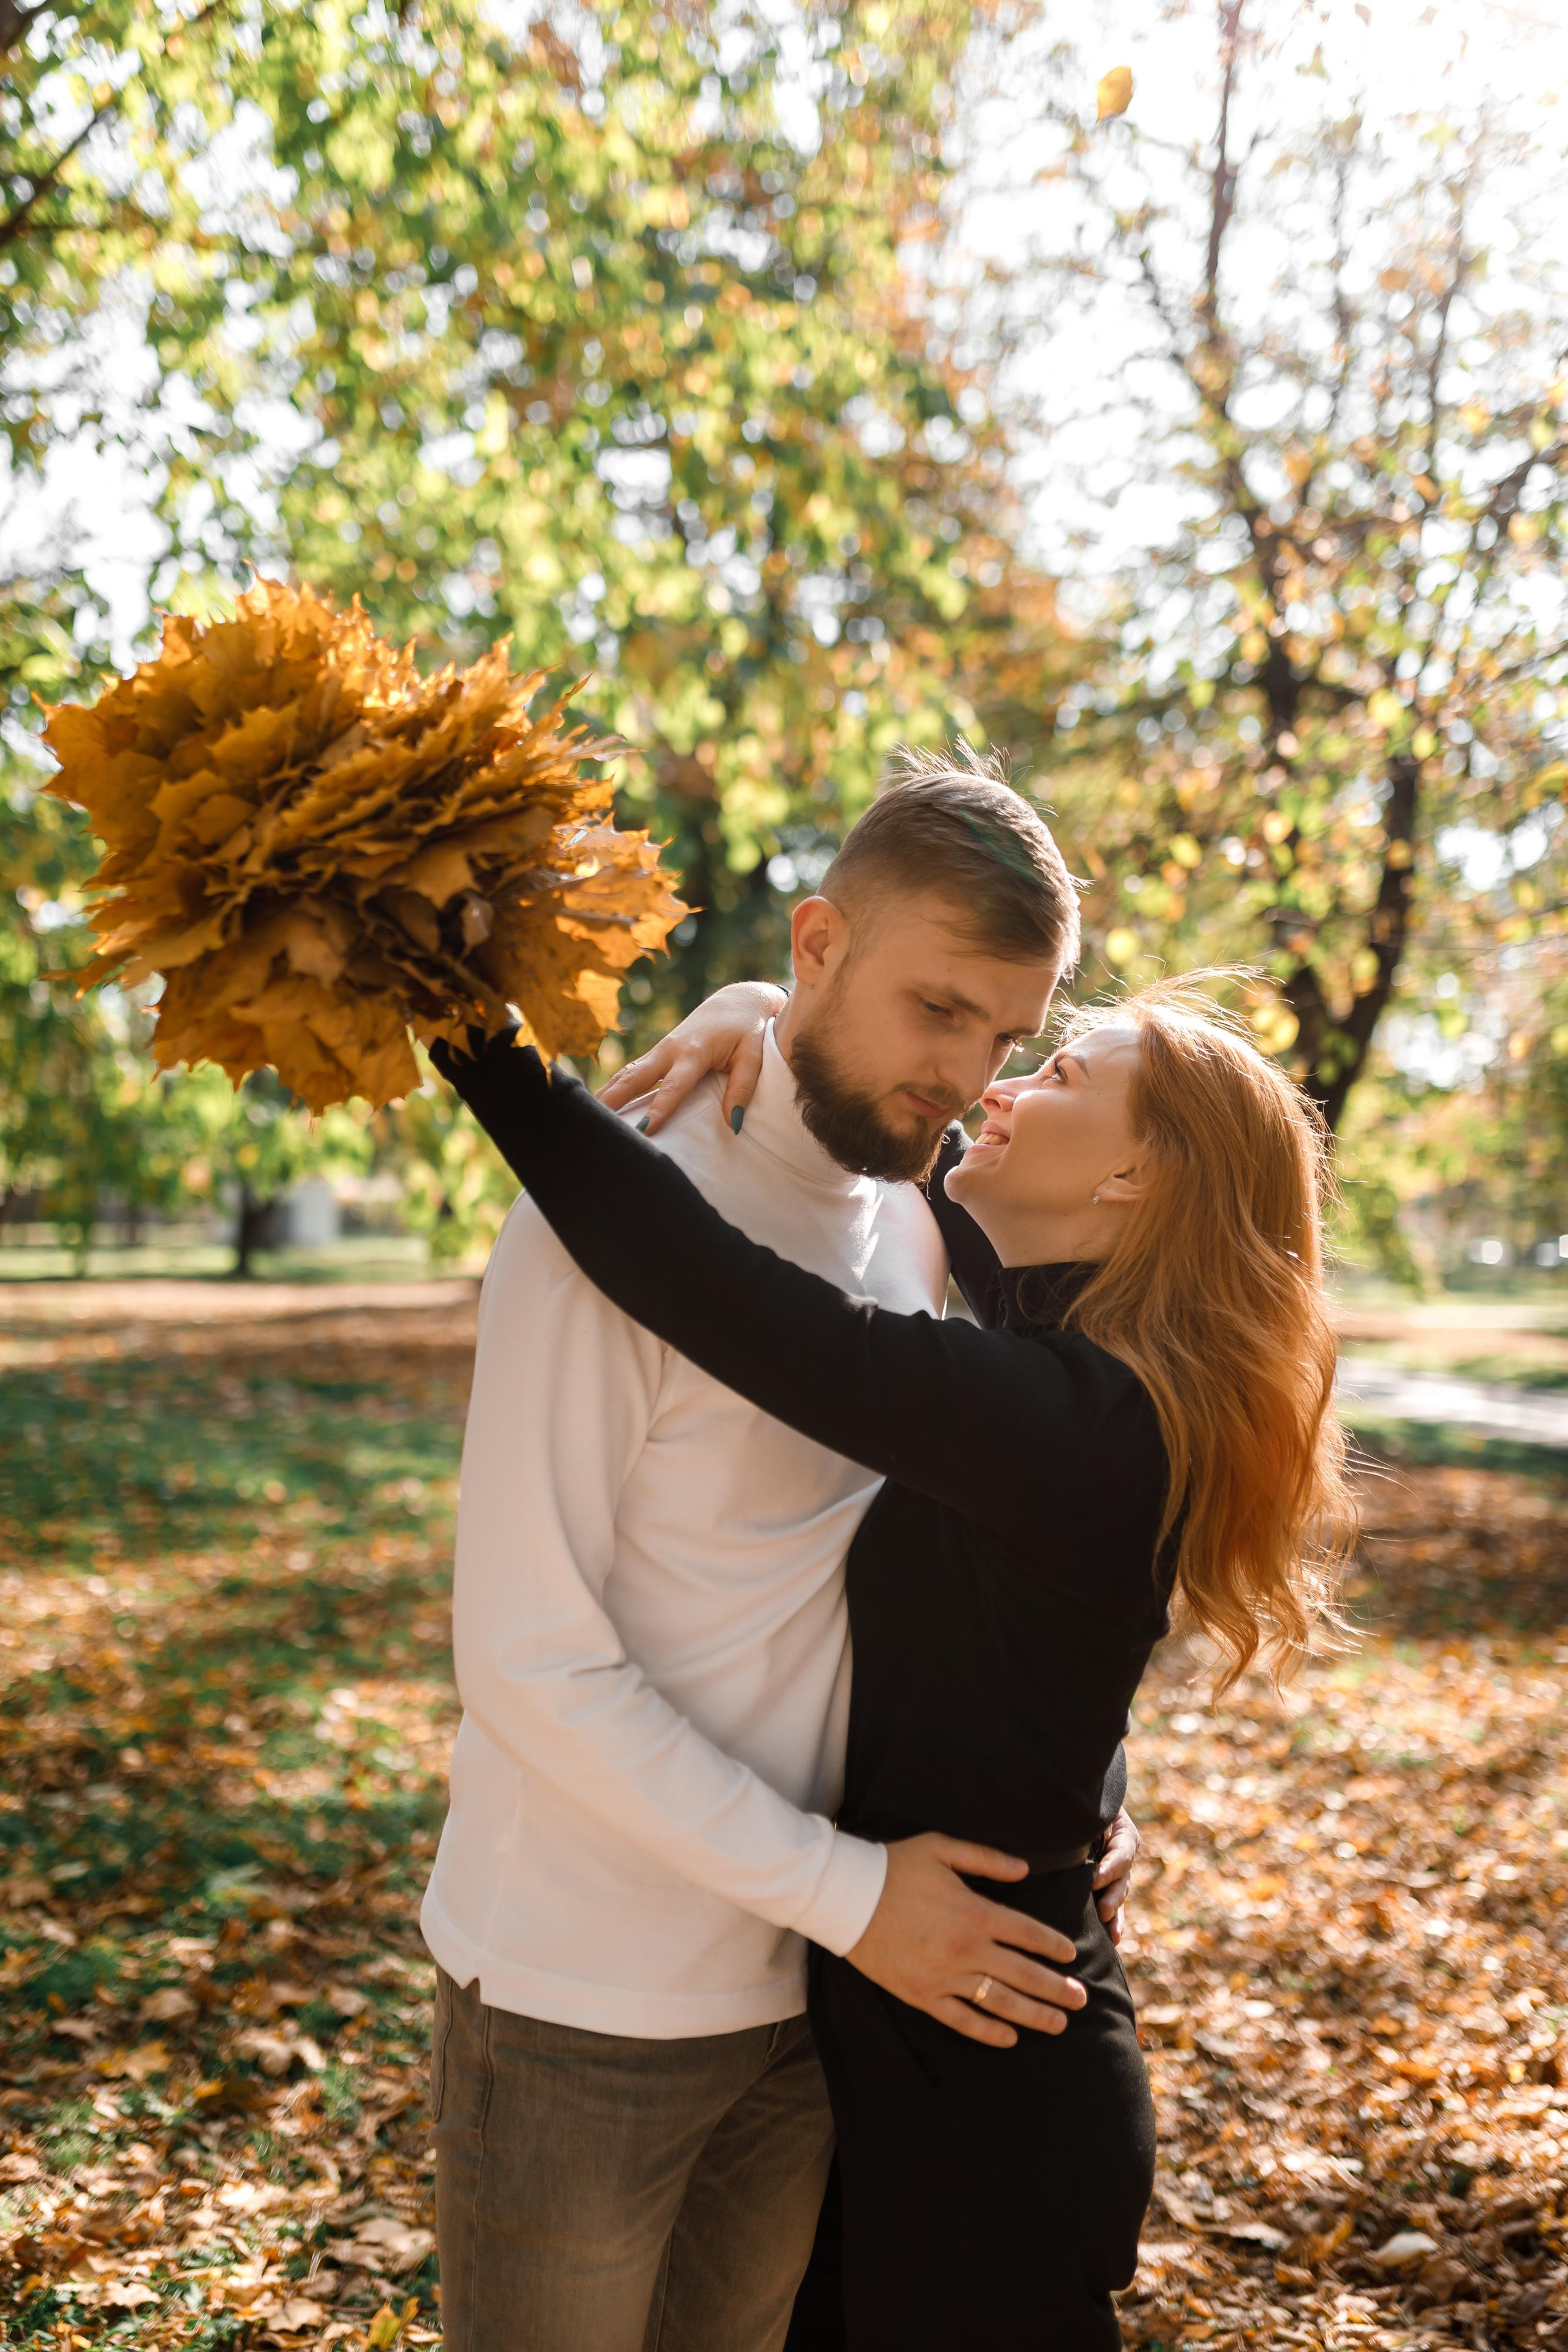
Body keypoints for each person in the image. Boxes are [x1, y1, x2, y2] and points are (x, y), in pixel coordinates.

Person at [435, 952, 1354, 2351]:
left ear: (1130, 1183)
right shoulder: (1057, 1348)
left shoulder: (1079, 1415)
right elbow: (864, 1155)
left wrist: (474, 1032)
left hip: (983, 2085)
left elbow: (728, 1297)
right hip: (908, 2032)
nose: (993, 1086)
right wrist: (763, 1007)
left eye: (1053, 1073)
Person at [419, 750, 1142, 2352]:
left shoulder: (924, 1224)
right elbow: (527, 1664)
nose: (967, 1077)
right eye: (938, 1010)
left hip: (821, 2002)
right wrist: (850, 1896)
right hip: (584, 2003)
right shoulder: (600, 1227)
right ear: (819, 945)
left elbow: (1023, 1533)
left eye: (1007, 1037)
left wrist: (1083, 1795)